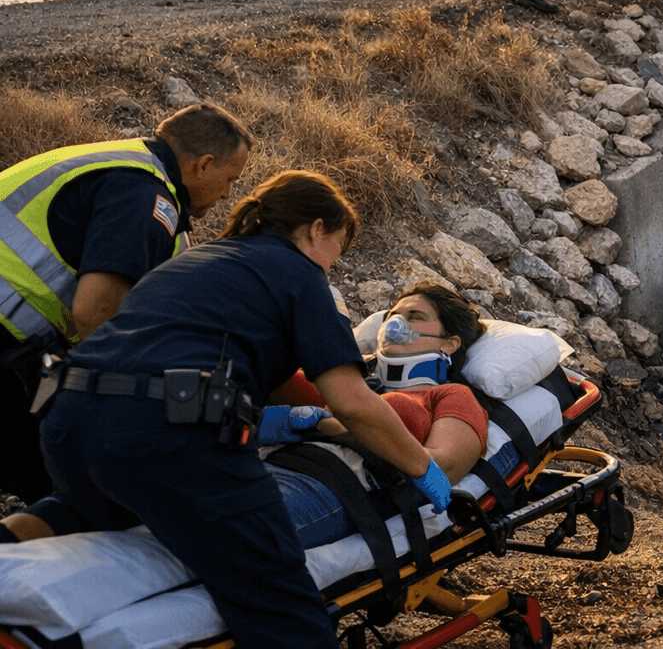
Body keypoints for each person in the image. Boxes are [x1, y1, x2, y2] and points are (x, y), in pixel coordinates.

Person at [1, 170, 452, 649]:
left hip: (68, 420)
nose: (335, 262)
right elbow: (352, 400)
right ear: (317, 229)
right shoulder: (299, 274)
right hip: (169, 435)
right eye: (339, 244)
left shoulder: (195, 261)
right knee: (283, 602)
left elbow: (258, 376)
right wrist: (424, 468)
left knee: (78, 510)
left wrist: (296, 418)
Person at [0, 102, 253, 505]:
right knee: (72, 489)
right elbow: (96, 316)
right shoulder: (146, 196)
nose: (227, 195)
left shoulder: (115, 161)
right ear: (204, 165)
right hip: (6, 337)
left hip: (11, 333)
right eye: (229, 180)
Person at [266, 283, 491, 548]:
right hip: (261, 466)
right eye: (391, 316)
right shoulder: (345, 383)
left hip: (330, 487)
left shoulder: (451, 396)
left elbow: (445, 466)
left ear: (451, 343)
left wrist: (330, 424)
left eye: (414, 316)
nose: (395, 325)